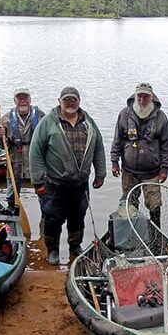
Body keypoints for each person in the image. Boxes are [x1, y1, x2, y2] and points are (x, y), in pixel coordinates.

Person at [29, 86, 106, 265]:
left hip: (80, 184)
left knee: (78, 217)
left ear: (79, 102)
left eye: (73, 99)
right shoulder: (48, 123)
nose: (70, 103)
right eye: (66, 100)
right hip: (54, 184)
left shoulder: (89, 123)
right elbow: (35, 153)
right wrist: (38, 182)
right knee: (52, 218)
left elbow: (99, 148)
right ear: (60, 102)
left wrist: (100, 174)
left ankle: (75, 246)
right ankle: (53, 250)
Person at [110, 82, 168, 226]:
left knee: (154, 205)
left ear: (152, 97)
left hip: (152, 172)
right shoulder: (124, 114)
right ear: (135, 96)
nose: (142, 100)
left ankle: (156, 235)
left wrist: (165, 168)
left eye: (146, 97)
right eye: (140, 96)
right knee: (130, 205)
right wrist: (114, 162)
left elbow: (166, 146)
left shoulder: (161, 117)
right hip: (129, 171)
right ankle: (132, 235)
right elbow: (117, 139)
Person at [0, 87, 46, 209]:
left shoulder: (41, 116)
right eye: (19, 98)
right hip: (15, 159)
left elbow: (49, 138)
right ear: (14, 100)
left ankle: (46, 214)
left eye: (25, 98)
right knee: (12, 190)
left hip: (36, 159)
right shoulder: (6, 118)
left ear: (30, 99)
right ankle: (12, 209)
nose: (23, 101)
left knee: (44, 191)